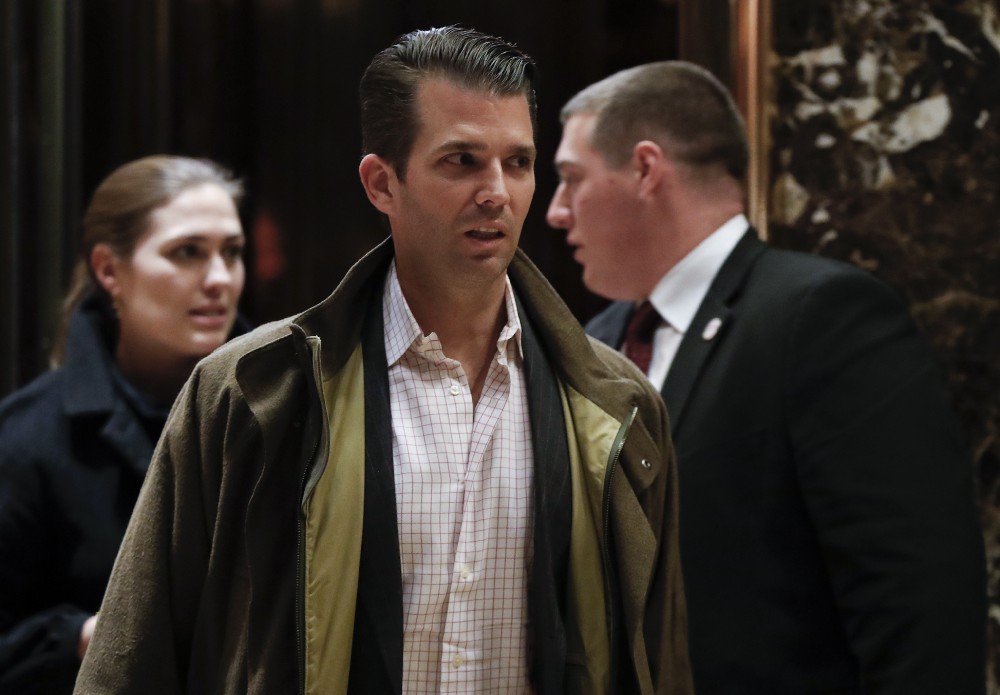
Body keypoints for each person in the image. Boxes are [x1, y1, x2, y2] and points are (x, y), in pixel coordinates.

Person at [74, 27, 693, 695]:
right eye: (461, 160)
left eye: (518, 163)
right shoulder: (254, 390)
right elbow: (136, 654)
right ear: (381, 182)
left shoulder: (615, 402)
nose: (498, 193)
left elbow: (661, 660)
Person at [546, 60, 987, 693]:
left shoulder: (819, 314)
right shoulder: (595, 342)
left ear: (646, 169)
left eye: (570, 179)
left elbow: (916, 589)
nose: (557, 212)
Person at [0, 155, 248, 694]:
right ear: (110, 271)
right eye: (187, 253)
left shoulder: (284, 405)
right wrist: (81, 637)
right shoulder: (28, 438)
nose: (218, 279)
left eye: (231, 253)